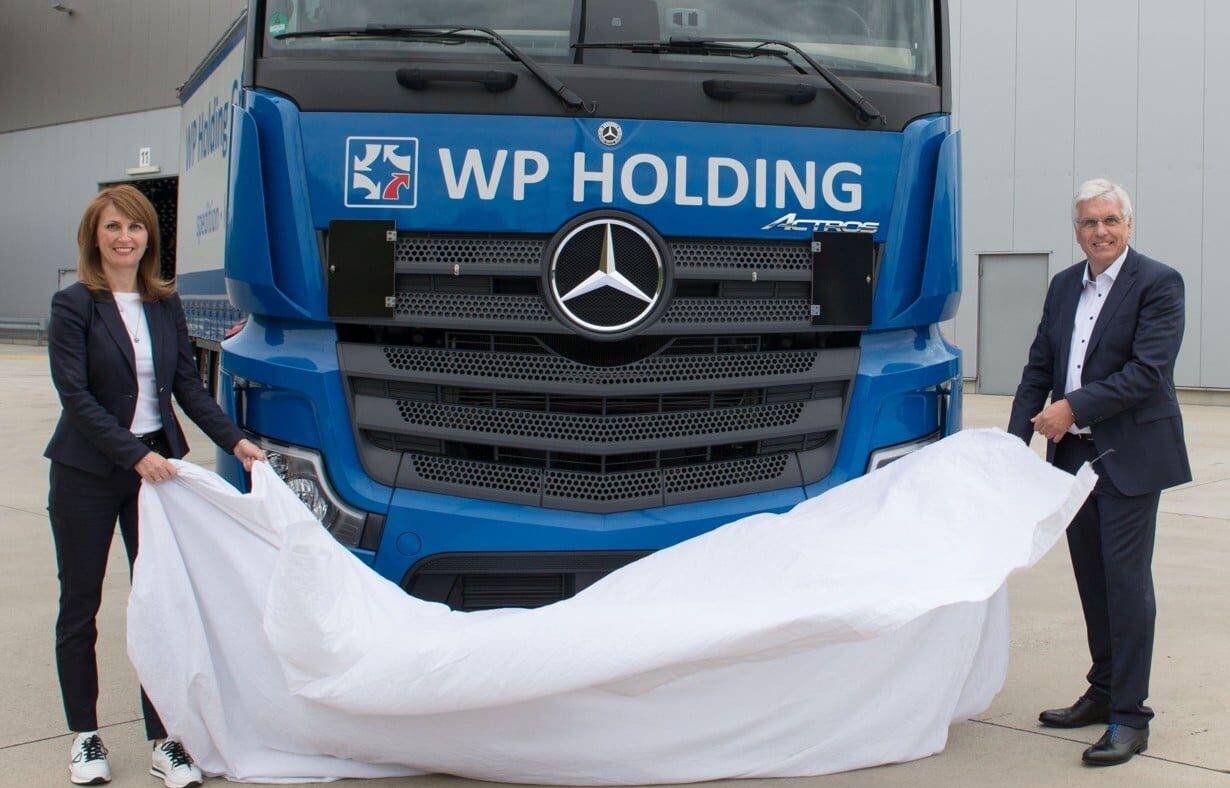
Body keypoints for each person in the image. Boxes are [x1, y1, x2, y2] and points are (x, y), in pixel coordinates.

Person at [45, 184, 266, 786]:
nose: (125, 238)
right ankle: (85, 736)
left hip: (155, 475)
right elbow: (76, 398)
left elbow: (187, 387)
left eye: (135, 227)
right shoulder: (73, 305)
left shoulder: (165, 305)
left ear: (149, 237)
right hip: (87, 474)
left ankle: (165, 738)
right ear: (95, 237)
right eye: (113, 227)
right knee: (80, 606)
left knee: (161, 605)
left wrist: (236, 441)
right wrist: (134, 456)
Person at [1008, 178, 1190, 766]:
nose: (1101, 231)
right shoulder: (1064, 285)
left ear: (1128, 224)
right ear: (1077, 230)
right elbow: (1039, 367)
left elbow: (1147, 372)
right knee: (1091, 578)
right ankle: (1105, 688)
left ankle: (1131, 718)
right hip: (1073, 460)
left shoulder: (1158, 283)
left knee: (1126, 584)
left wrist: (1072, 408)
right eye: (1089, 222)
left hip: (1131, 456)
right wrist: (1012, 449)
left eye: (1111, 220)